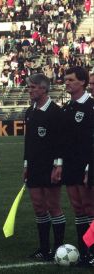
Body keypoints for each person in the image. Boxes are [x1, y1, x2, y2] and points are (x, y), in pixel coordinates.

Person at [23, 74, 65, 260]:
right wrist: (26, 164)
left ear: (43, 89)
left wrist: (58, 165)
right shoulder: (29, 112)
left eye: (33, 87)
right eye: (29, 87)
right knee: (39, 207)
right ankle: (44, 248)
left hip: (50, 166)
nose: (30, 90)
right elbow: (28, 142)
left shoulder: (56, 112)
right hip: (33, 167)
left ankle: (58, 248)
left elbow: (61, 143)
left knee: (53, 206)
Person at [56, 66, 94, 266]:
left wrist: (90, 167)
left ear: (82, 82)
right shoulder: (67, 108)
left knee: (90, 208)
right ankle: (84, 251)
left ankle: (92, 250)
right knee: (78, 209)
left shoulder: (91, 106)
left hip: (87, 166)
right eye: (66, 80)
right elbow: (62, 142)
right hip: (70, 166)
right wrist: (59, 164)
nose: (67, 83)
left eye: (70, 80)